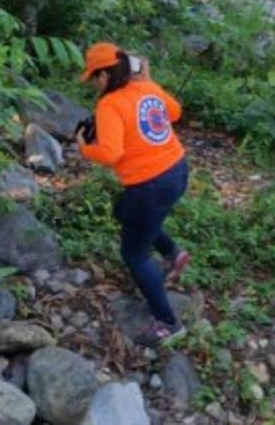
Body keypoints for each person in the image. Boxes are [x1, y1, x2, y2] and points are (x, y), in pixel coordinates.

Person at [77, 42, 191, 347]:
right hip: (178, 170)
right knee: (123, 211)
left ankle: (168, 323)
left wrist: (84, 148)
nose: (94, 84)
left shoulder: (109, 104)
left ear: (105, 75)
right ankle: (173, 253)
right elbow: (175, 112)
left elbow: (110, 153)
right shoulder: (146, 89)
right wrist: (149, 81)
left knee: (134, 254)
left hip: (149, 185)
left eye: (94, 78)